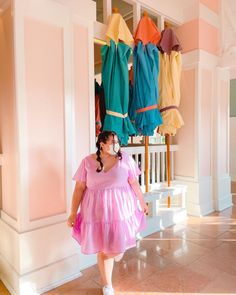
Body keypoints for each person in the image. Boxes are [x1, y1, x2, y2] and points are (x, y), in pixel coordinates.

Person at [67, 130, 148, 295]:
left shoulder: (125, 158)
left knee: (115, 251)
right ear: (101, 144)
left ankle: (117, 253)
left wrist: (142, 202)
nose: (115, 145)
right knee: (104, 250)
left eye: (117, 141)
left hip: (121, 212)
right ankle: (107, 285)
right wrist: (73, 213)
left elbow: (134, 183)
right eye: (111, 142)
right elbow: (79, 189)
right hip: (95, 214)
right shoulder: (87, 162)